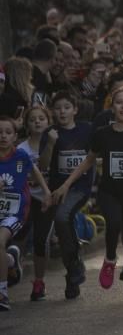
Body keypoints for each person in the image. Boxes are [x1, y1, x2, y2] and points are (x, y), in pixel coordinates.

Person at [52, 86, 123, 318]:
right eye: (119, 102)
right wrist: (66, 185)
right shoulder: (103, 133)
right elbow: (88, 161)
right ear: (112, 107)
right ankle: (110, 258)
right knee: (113, 223)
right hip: (109, 192)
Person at [0, 114, 51, 311]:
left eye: (8, 132)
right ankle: (10, 260)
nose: (3, 136)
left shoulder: (20, 156)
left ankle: (3, 293)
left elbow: (35, 171)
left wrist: (46, 193)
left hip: (16, 211)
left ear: (15, 136)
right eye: (0, 132)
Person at [46, 91, 93, 299]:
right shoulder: (51, 133)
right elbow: (43, 165)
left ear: (75, 109)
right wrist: (50, 143)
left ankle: (74, 266)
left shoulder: (87, 130)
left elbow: (94, 156)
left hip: (79, 188)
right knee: (63, 226)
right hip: (57, 189)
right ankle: (73, 273)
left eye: (66, 107)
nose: (62, 111)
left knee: (62, 218)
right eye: (58, 108)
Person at [16, 105, 56, 301]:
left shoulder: (55, 144)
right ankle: (13, 267)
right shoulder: (20, 149)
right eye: (33, 119)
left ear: (48, 122)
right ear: (27, 125)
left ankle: (39, 281)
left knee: (41, 240)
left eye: (42, 118)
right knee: (19, 235)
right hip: (26, 199)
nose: (37, 122)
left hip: (46, 200)